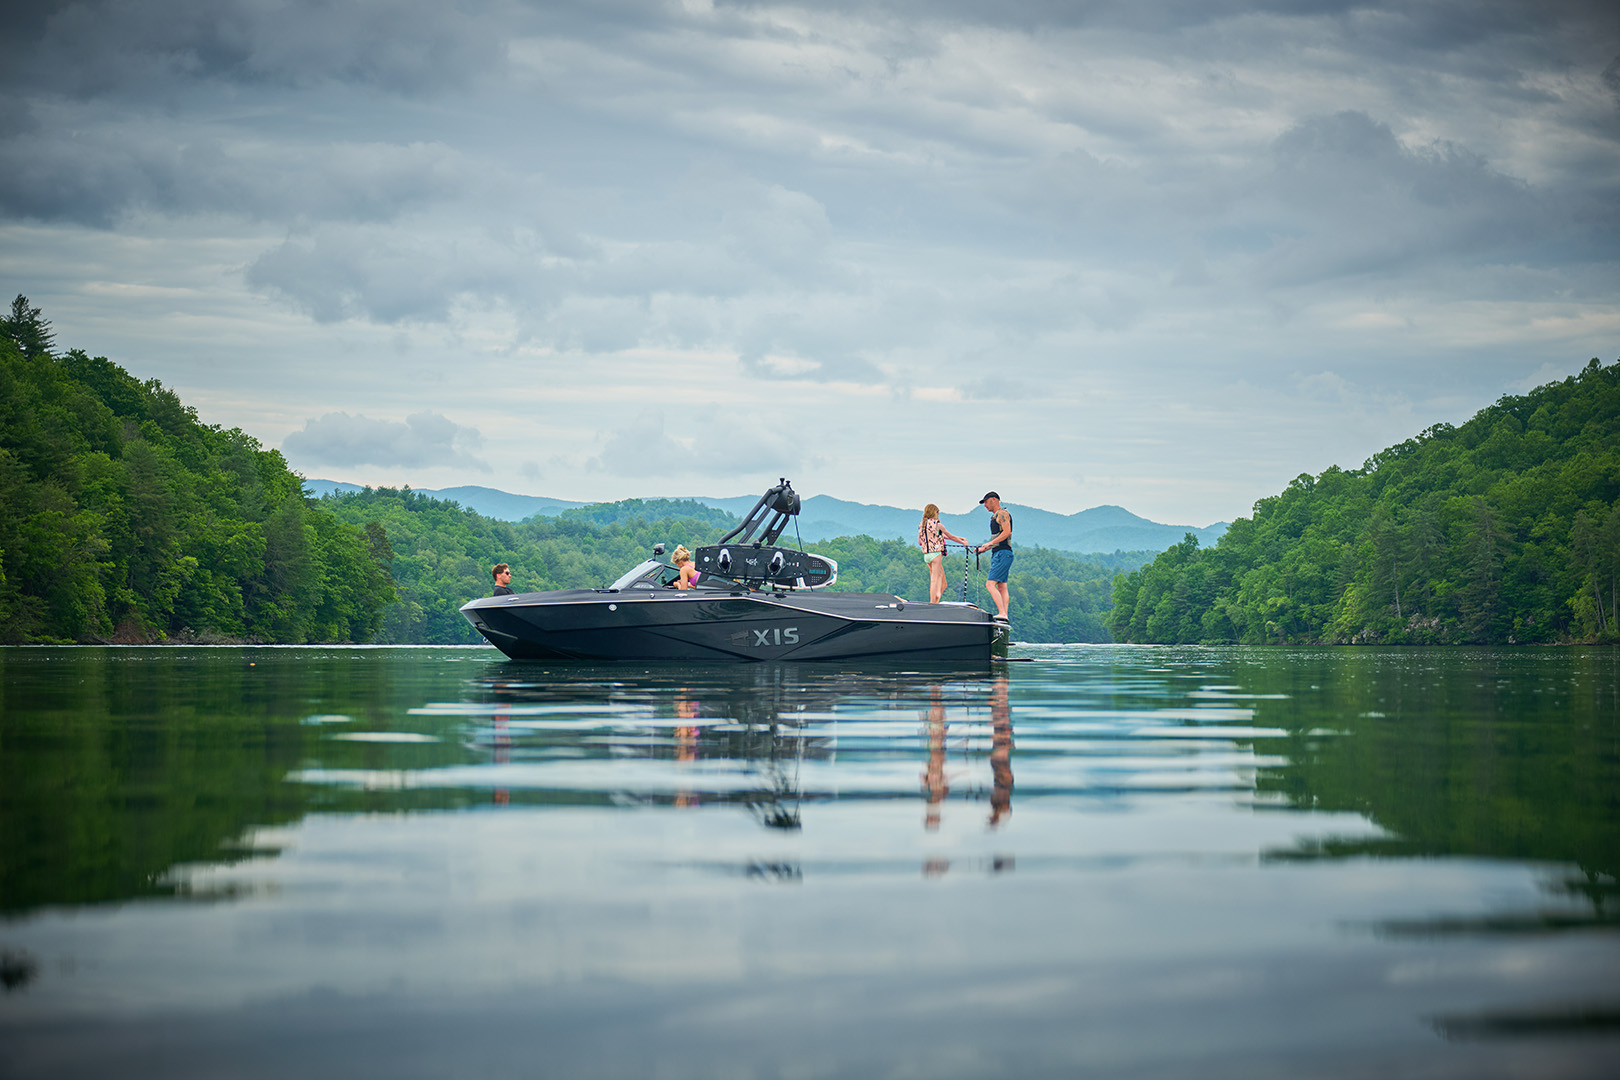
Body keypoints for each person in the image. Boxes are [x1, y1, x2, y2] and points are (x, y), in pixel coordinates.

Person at [917, 504, 970, 603]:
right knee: (935, 580)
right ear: (935, 513)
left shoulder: (922, 525)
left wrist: (961, 538)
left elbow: (920, 542)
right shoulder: (938, 524)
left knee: (943, 583)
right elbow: (951, 536)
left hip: (927, 555)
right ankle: (932, 603)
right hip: (936, 554)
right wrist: (963, 542)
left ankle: (936, 601)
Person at [974, 492, 1012, 621]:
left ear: (994, 500)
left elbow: (1007, 532)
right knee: (1001, 586)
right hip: (1000, 553)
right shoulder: (994, 517)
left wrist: (989, 543)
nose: (985, 505)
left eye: (985, 502)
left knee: (990, 584)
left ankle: (1002, 613)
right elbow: (998, 539)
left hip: (1003, 554)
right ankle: (1004, 615)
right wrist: (983, 549)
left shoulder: (1002, 513)